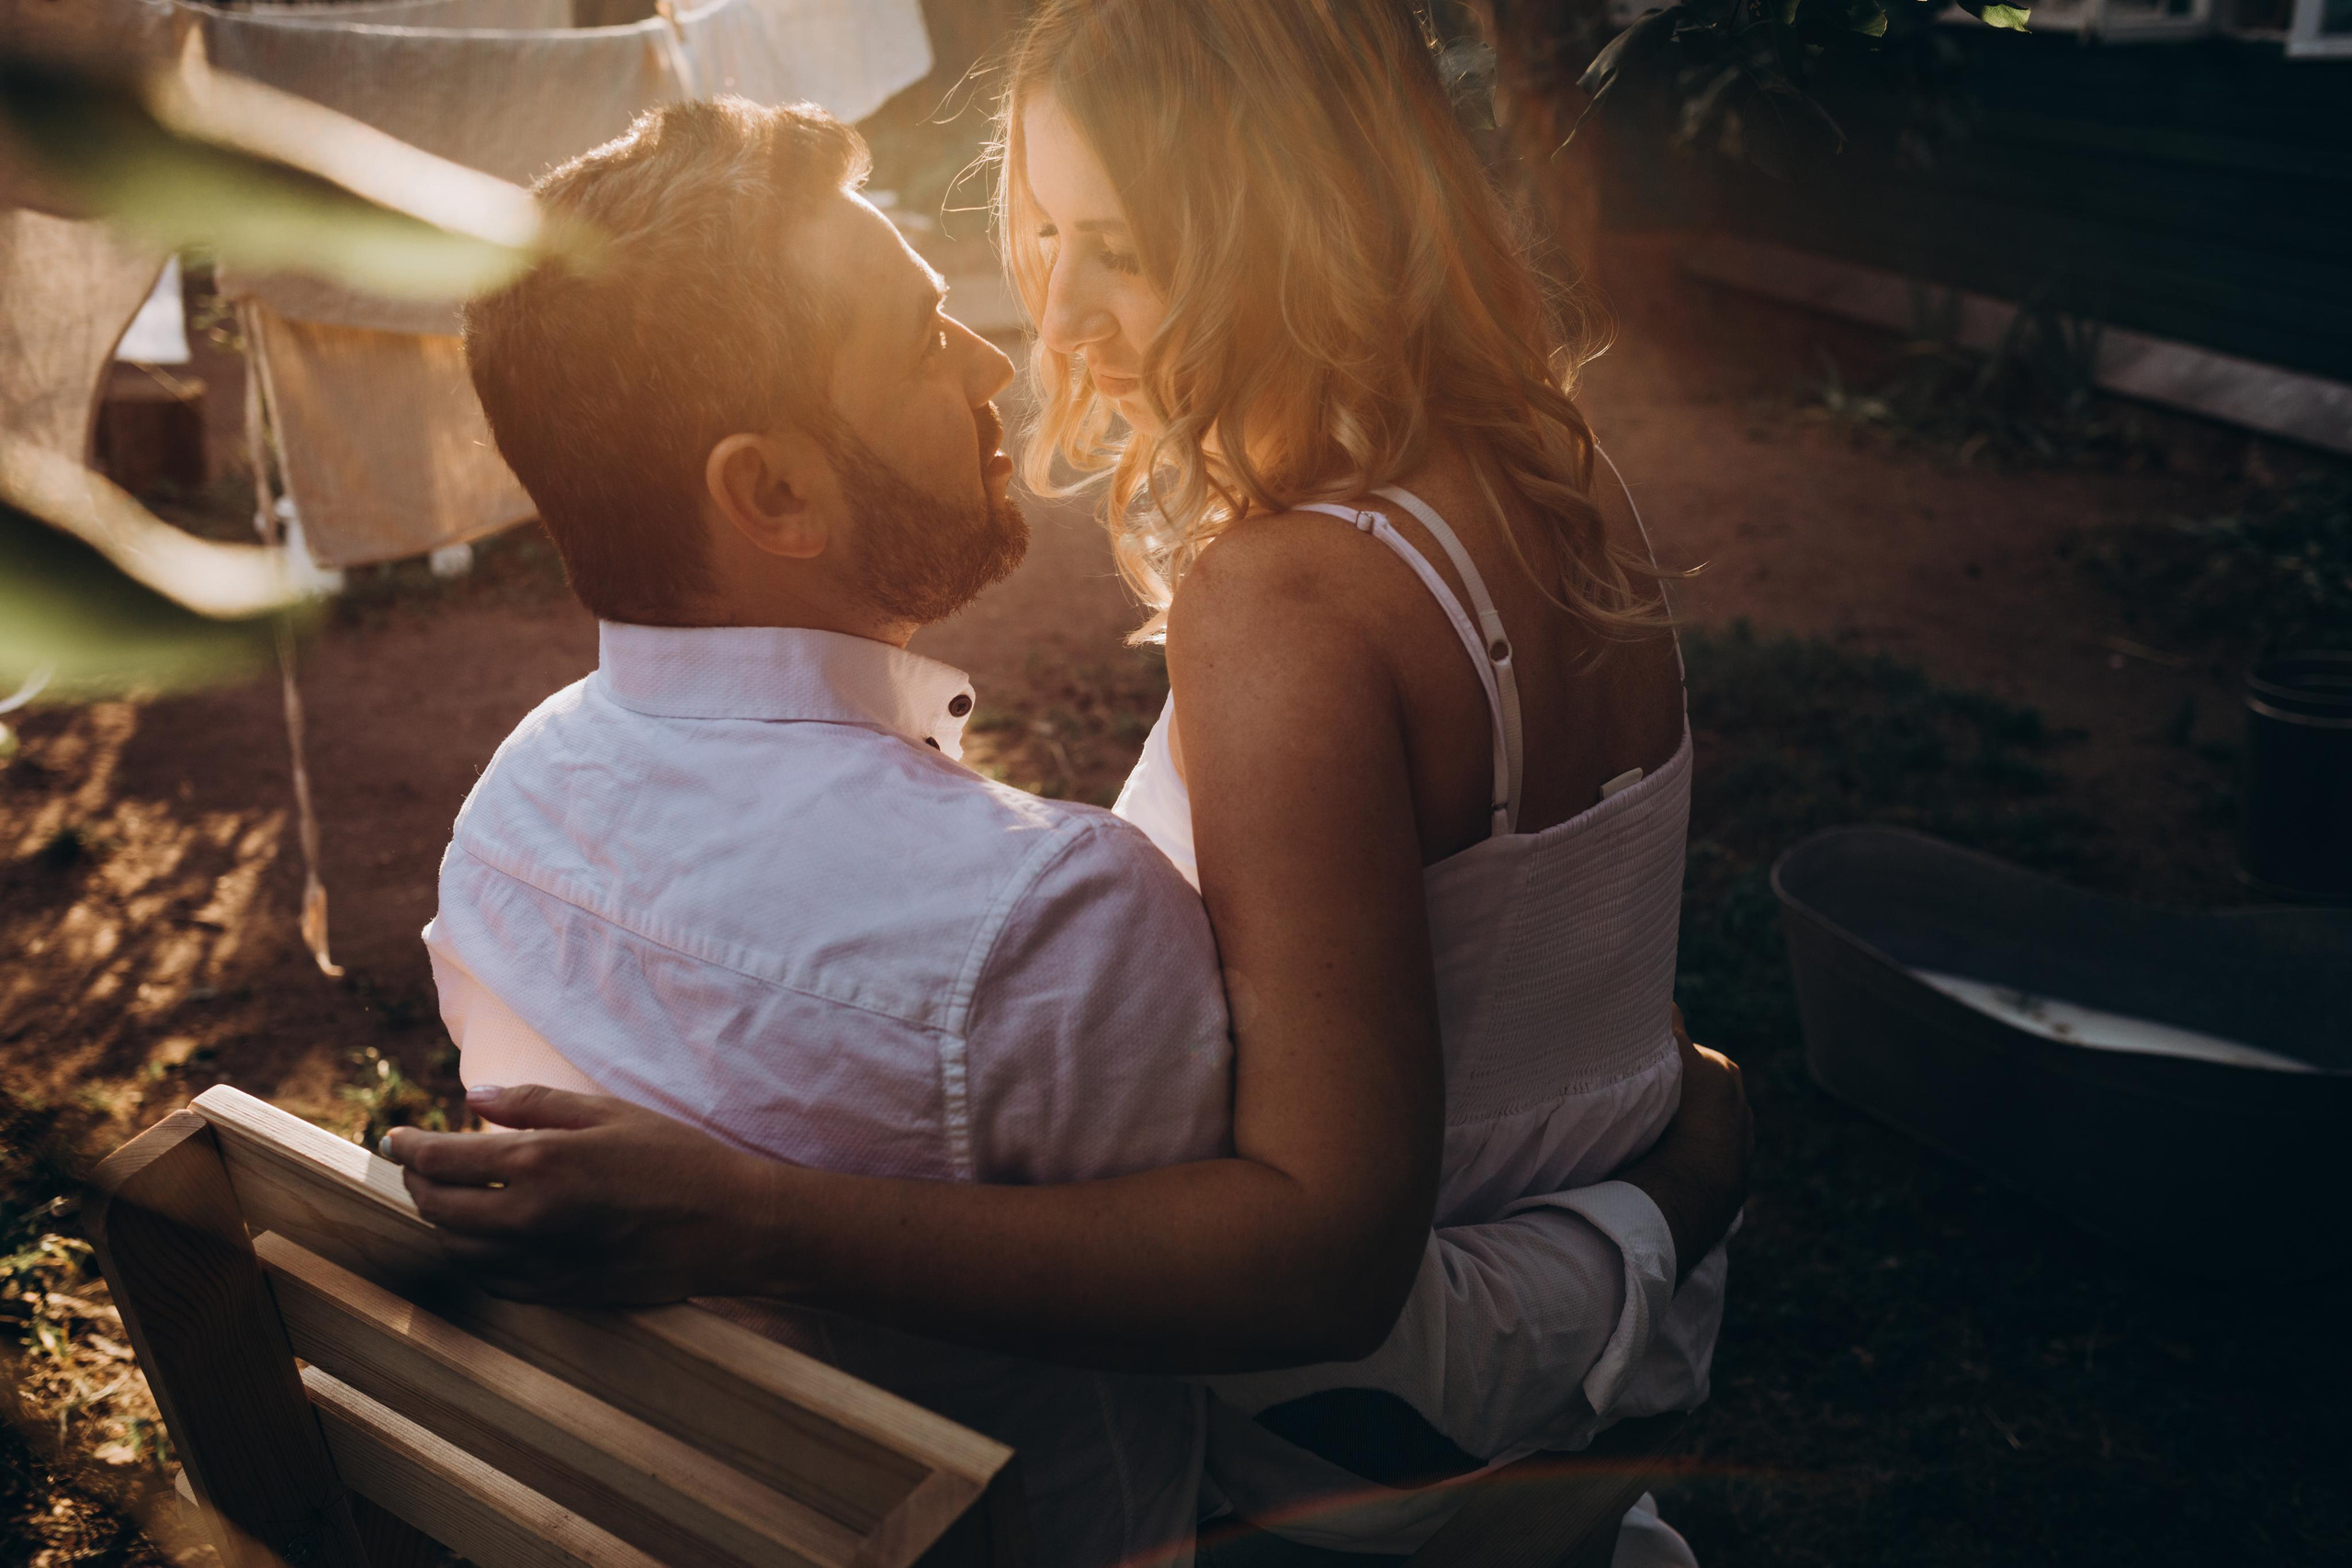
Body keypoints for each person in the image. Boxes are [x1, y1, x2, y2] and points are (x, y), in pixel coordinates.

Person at [392, 5, 1752, 1562]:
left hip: (1378, 1460)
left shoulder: (1289, 604)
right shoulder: (1567, 477)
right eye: (1051, 234)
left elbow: (1324, 1256)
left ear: (1292, 230)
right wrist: (1671, 1188)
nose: (1054, 327)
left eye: (1124, 246)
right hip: (1488, 1431)